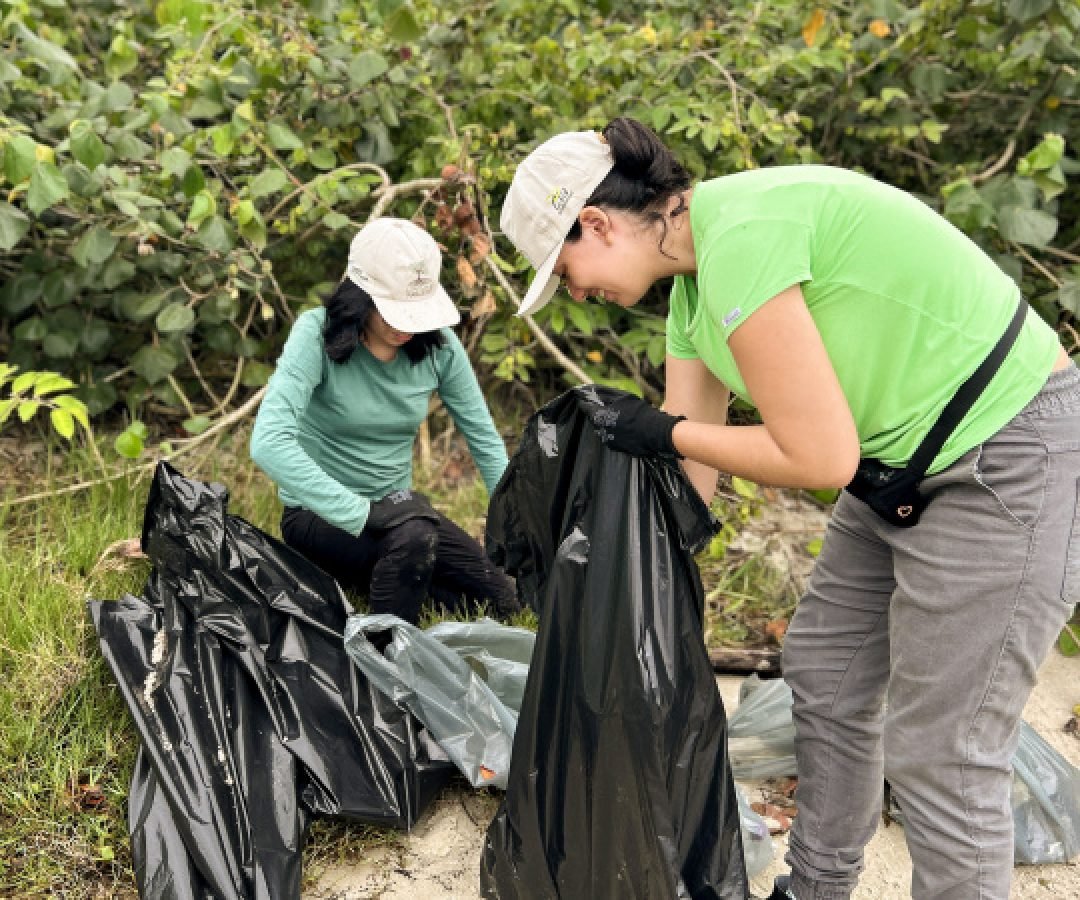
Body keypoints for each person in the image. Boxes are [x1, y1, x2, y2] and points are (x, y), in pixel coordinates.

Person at [498, 118, 1079, 900]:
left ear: (595, 224)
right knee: (827, 672)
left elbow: (816, 459)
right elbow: (688, 470)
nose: (572, 290)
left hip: (1008, 454)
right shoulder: (692, 298)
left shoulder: (743, 236)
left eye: (562, 267)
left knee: (943, 747)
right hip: (894, 471)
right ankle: (815, 889)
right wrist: (611, 595)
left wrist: (663, 432)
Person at [250, 217, 520, 626]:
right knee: (415, 539)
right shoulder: (314, 335)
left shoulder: (440, 350)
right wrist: (360, 513)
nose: (406, 326)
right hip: (318, 515)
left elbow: (483, 439)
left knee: (504, 597)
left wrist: (518, 522)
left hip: (400, 511)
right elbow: (269, 442)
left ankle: (399, 578)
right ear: (360, 296)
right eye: (393, 311)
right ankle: (385, 654)